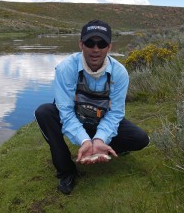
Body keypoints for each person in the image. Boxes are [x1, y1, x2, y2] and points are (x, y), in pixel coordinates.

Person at [35, 20, 149, 195]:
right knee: (44, 112)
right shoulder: (65, 69)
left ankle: (103, 148)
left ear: (109, 46)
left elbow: (116, 113)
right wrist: (84, 140)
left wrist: (99, 139)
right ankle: (67, 171)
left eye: (101, 43)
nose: (96, 49)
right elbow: (64, 112)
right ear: (81, 44)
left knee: (141, 139)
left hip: (101, 118)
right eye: (90, 43)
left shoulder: (120, 73)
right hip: (74, 115)